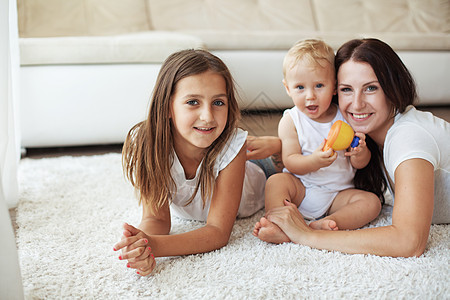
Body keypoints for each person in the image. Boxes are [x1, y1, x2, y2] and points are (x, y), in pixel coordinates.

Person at [256, 38, 450, 257]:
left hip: (335, 197)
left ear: (393, 87)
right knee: (274, 179)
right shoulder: (373, 131)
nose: (356, 104)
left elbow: (409, 242)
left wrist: (306, 235)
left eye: (371, 88)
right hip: (306, 184)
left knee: (369, 203)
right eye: (347, 89)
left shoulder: (409, 137)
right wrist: (277, 144)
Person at [113, 49, 267, 276]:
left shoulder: (232, 145)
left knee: (301, 170)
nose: (208, 116)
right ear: (167, 106)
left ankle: (279, 145)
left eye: (218, 102)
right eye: (193, 102)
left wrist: (157, 246)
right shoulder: (147, 145)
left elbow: (217, 232)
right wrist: (143, 248)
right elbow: (155, 218)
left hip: (262, 173)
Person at [253, 39, 381, 244]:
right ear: (287, 88)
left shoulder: (345, 115)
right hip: (301, 189)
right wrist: (314, 160)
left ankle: (326, 224)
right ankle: (278, 224)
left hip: (339, 194)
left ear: (334, 87)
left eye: (319, 85)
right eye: (300, 87)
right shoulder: (291, 120)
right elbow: (290, 161)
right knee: (277, 181)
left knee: (371, 202)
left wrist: (360, 152)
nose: (310, 96)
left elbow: (359, 164)